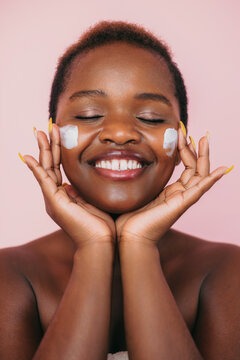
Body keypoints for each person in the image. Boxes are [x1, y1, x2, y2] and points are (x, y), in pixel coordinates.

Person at [2, 20, 238, 360]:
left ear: (182, 141)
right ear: (52, 137)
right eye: (89, 114)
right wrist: (93, 247)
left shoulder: (225, 270)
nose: (120, 133)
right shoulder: (11, 275)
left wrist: (140, 246)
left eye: (151, 118)